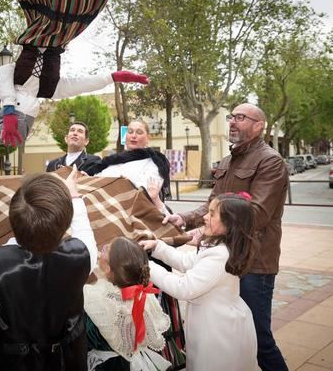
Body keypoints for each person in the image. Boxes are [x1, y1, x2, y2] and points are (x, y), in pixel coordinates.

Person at [0, 0, 147, 147]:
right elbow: (80, 84)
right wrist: (112, 77)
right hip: (63, 32)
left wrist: (7, 107)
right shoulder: (50, 89)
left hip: (43, 24)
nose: (27, 111)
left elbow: (2, 72)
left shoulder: (12, 79)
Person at [163, 103, 289, 371]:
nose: (232, 122)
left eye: (240, 118)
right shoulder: (227, 161)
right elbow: (213, 204)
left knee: (260, 339)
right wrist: (184, 219)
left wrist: (204, 231)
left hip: (254, 264)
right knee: (232, 334)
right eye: (231, 117)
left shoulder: (271, 161)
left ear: (259, 125)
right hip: (222, 261)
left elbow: (257, 215)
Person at [0, 169, 97, 371]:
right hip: (67, 362)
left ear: (13, 219)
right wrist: (74, 195)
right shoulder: (83, 254)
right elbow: (83, 229)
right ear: (65, 223)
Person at [86, 119, 184, 369]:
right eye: (130, 131)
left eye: (139, 132)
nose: (133, 135)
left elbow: (149, 201)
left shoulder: (154, 163)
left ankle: (149, 350)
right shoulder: (108, 163)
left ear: (147, 138)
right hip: (107, 240)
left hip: (136, 238)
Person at [140, 194, 258, 371]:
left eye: (212, 214)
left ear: (230, 223)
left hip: (217, 327)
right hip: (215, 319)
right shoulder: (219, 248)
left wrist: (147, 266)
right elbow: (187, 261)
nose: (205, 217)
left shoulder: (219, 255)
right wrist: (158, 247)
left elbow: (183, 288)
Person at [83, 237, 170, 371]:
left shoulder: (92, 299)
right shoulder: (145, 295)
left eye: (107, 249)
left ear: (108, 268)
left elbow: (87, 338)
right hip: (140, 361)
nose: (103, 247)